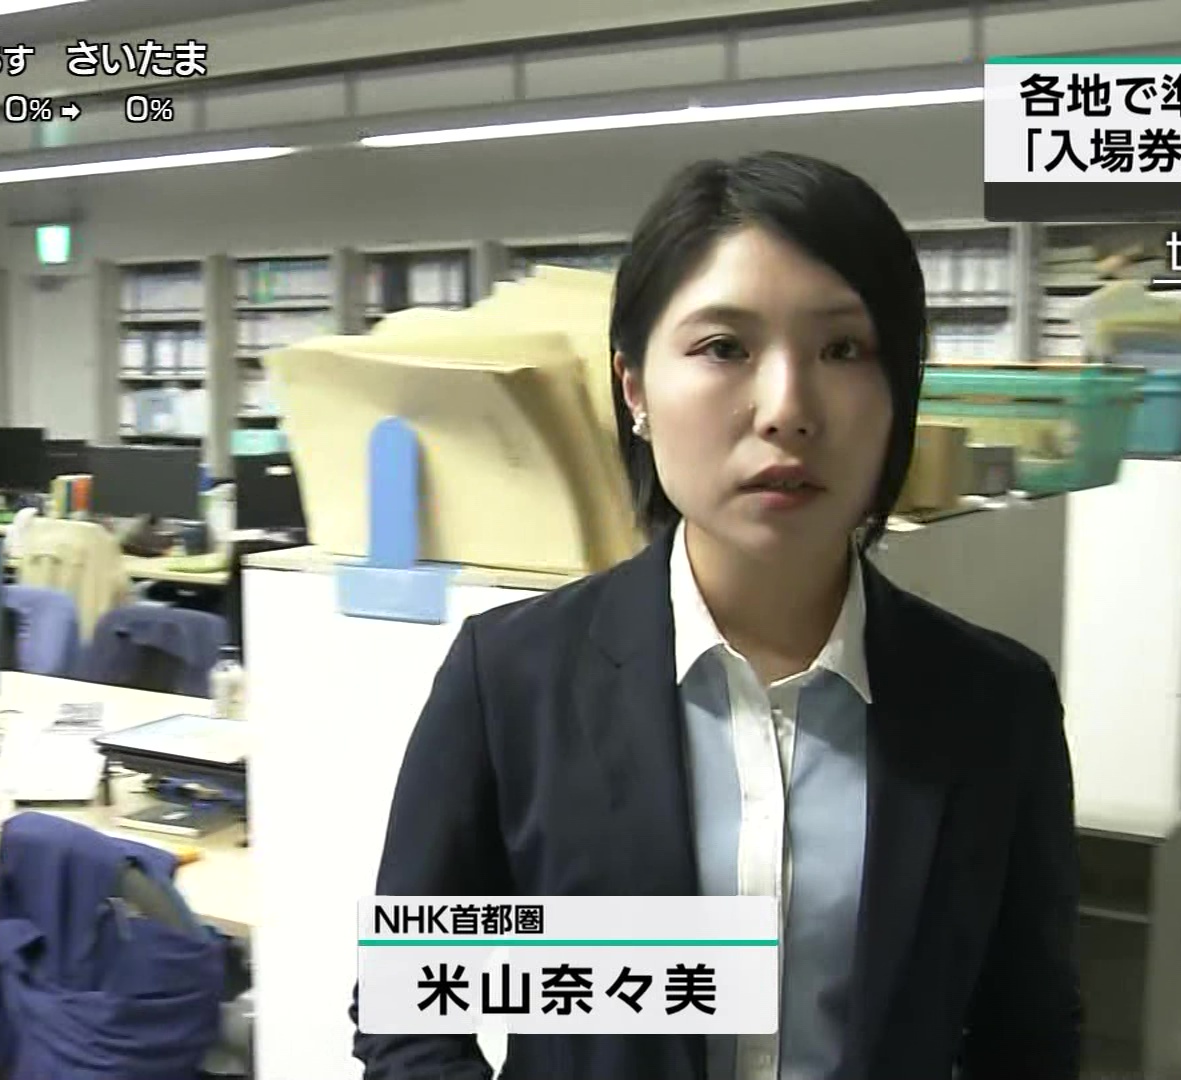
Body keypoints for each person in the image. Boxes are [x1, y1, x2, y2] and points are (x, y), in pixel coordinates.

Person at [355, 151, 1081, 1080]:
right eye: (724, 348)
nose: (787, 409)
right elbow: (410, 1010)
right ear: (634, 388)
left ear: (900, 390)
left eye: (843, 350)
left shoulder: (994, 707)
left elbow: (1029, 1034)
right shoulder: (511, 682)